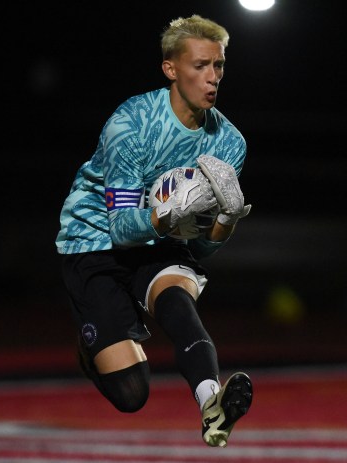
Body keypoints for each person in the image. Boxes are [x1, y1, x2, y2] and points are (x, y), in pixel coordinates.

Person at [55, 14, 252, 447]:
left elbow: (199, 250)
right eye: (200, 65)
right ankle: (92, 349)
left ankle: (210, 403)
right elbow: (122, 228)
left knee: (177, 298)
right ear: (170, 68)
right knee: (132, 394)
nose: (212, 77)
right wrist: (165, 216)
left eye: (218, 65)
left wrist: (223, 223)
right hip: (94, 240)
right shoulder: (132, 123)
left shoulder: (229, 144)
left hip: (159, 243)